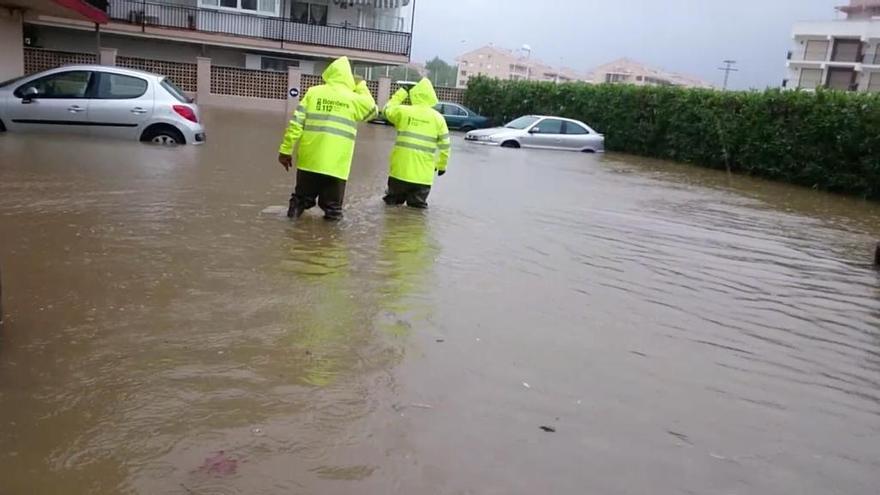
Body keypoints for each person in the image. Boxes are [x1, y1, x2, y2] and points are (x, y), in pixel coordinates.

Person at [278, 56, 377, 220]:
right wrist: (361, 86)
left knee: (299, 201)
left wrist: (285, 151)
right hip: (337, 166)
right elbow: (373, 110)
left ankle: (290, 234)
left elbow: (296, 124)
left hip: (310, 162)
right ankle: (328, 243)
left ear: (330, 73)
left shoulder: (314, 92)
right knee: (333, 211)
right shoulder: (355, 100)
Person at [381, 78, 450, 209]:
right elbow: (445, 146)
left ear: (414, 94)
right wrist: (441, 166)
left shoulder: (403, 112)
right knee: (416, 212)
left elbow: (386, 109)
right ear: (432, 96)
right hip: (423, 178)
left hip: (399, 173)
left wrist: (402, 92)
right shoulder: (438, 119)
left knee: (391, 207)